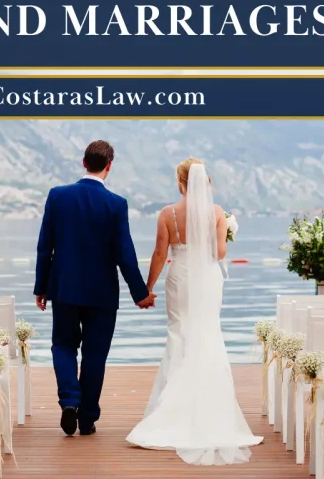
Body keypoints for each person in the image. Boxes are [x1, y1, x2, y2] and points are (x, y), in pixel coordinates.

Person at [126, 159, 262, 465]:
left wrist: (147, 288)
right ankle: (210, 409)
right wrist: (224, 232)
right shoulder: (217, 213)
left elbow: (160, 253)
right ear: (207, 183)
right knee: (208, 333)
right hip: (208, 278)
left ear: (180, 182)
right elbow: (220, 253)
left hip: (180, 276)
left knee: (179, 334)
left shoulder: (168, 213)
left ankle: (171, 410)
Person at [34, 140, 157, 437]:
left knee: (63, 345)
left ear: (83, 162)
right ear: (109, 166)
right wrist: (140, 294)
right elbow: (125, 255)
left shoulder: (57, 196)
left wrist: (41, 286)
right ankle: (87, 418)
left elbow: (45, 247)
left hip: (64, 288)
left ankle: (69, 401)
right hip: (102, 293)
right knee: (95, 355)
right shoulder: (116, 204)